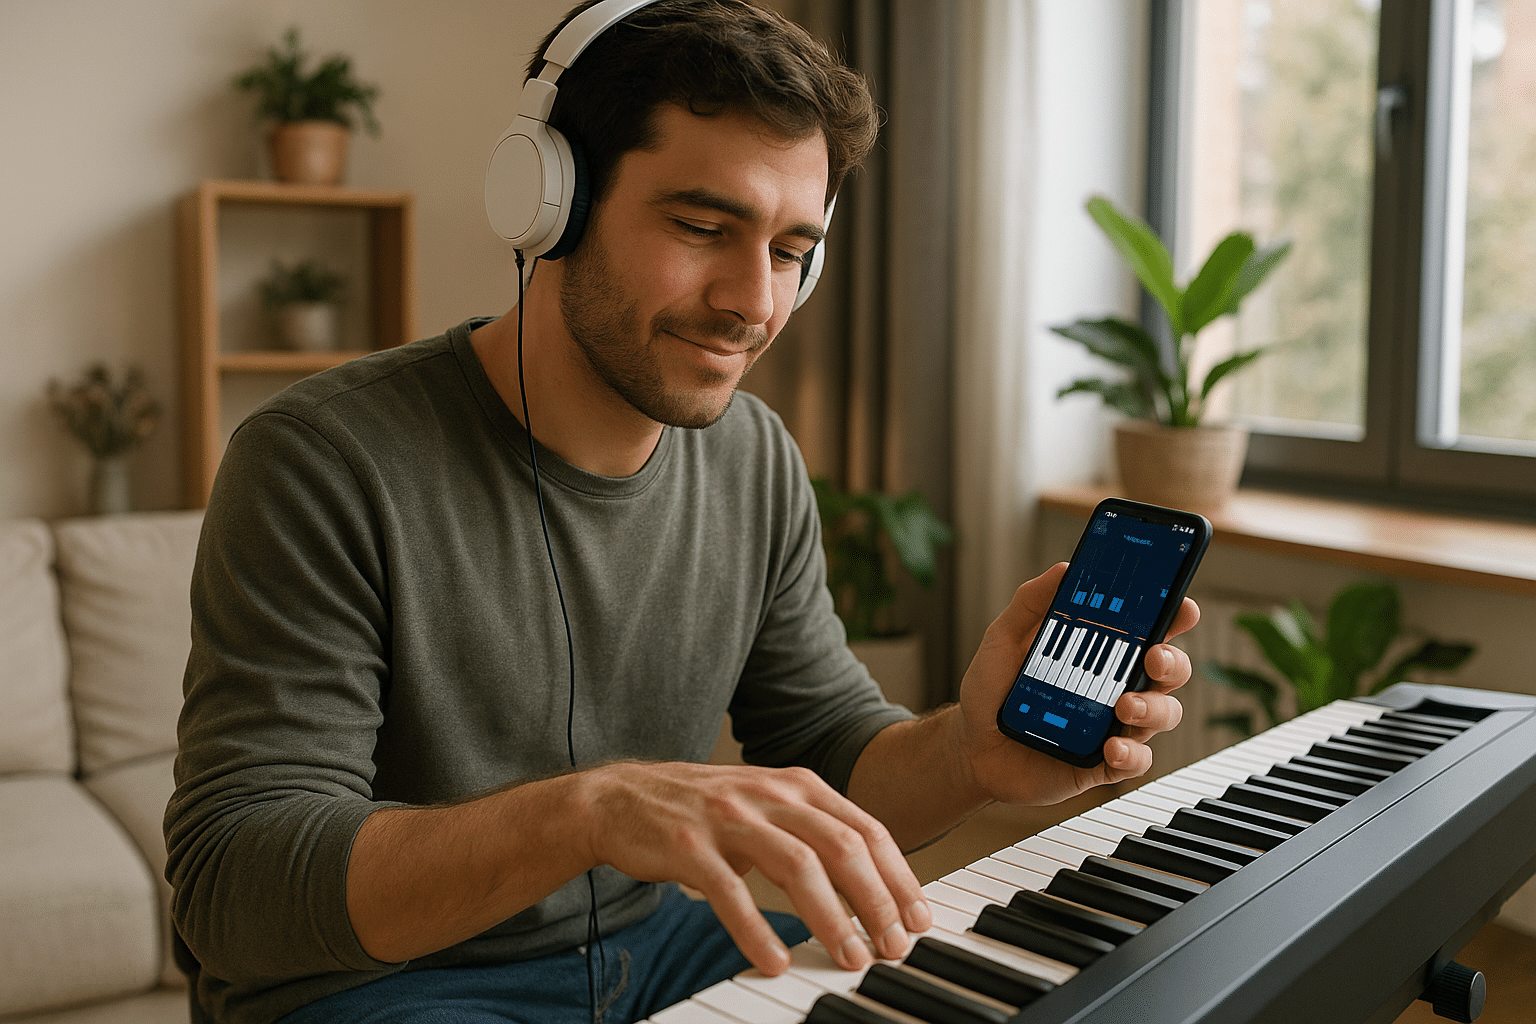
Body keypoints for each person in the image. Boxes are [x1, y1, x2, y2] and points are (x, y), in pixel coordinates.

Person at [165, 2, 1198, 1023]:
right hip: (385, 987)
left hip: (649, 951)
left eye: (794, 249)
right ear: (551, 203)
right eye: (705, 227)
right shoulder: (320, 459)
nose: (756, 299)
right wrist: (592, 811)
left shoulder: (754, 459)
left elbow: (833, 746)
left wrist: (971, 749)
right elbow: (235, 887)